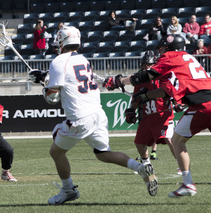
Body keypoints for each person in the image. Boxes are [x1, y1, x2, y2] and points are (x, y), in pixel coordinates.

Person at [29, 26, 158, 205]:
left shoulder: (59, 61)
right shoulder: (82, 58)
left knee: (56, 152)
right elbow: (69, 81)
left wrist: (42, 85)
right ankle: (140, 167)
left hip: (80, 118)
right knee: (103, 154)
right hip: (97, 113)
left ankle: (68, 190)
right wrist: (45, 78)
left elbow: (52, 97)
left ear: (61, 41)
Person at [103, 34, 211, 198]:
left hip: (203, 103)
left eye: (162, 48)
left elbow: (145, 75)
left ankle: (188, 184)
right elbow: (167, 90)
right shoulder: (188, 57)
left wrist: (118, 80)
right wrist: (147, 97)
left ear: (167, 47)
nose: (160, 51)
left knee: (177, 140)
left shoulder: (170, 57)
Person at [125, 51, 181, 175]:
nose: (147, 67)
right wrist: (131, 111)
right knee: (139, 142)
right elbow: (136, 98)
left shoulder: (162, 76)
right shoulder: (140, 79)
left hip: (163, 116)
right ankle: (146, 165)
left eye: (149, 65)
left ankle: (181, 165)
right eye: (145, 64)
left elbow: (171, 92)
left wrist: (177, 103)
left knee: (169, 139)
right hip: (147, 116)